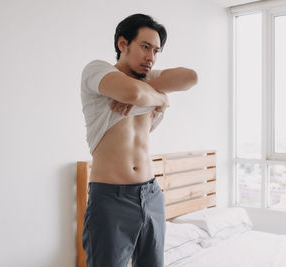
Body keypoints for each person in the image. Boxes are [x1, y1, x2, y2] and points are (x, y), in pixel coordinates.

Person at [80, 14, 198, 267]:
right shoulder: (97, 71)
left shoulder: (149, 81)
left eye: (156, 51)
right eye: (145, 47)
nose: (151, 57)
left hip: (151, 193)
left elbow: (191, 77)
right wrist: (161, 98)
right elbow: (131, 92)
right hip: (111, 197)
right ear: (123, 44)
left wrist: (150, 94)